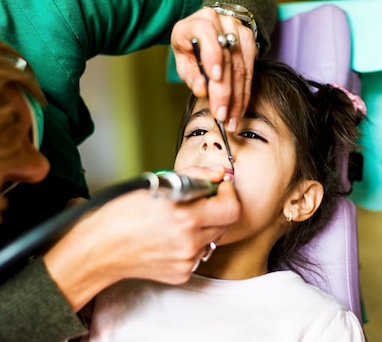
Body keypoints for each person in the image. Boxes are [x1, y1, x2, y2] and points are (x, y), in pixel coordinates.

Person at [0, 0, 276, 341]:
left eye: (20, 126)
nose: (40, 169)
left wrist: (227, 23)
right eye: (196, 131)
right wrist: (78, 267)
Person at [80, 59, 366, 341]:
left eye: (250, 133)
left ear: (299, 200)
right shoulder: (111, 283)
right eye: (198, 131)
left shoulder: (319, 325)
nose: (212, 140)